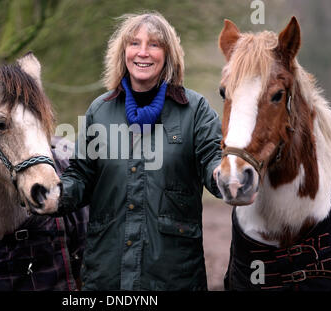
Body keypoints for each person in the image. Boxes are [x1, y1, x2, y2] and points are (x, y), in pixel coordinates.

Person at [53, 11, 222, 290]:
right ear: (123, 52)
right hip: (107, 274)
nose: (143, 52)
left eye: (154, 44)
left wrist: (223, 174)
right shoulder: (100, 110)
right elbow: (81, 176)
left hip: (173, 277)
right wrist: (53, 194)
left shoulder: (195, 110)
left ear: (168, 54)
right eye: (134, 43)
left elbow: (212, 160)